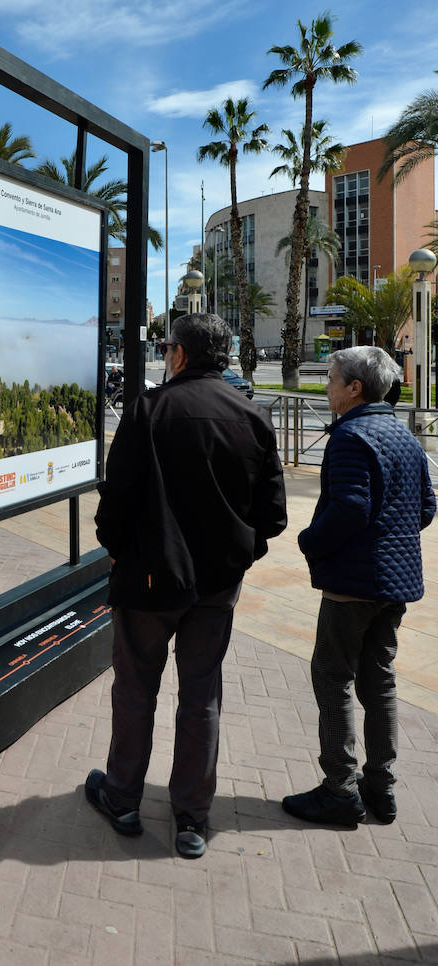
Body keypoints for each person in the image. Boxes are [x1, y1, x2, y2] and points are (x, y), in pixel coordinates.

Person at [88, 313, 287, 858]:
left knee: (135, 690)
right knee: (202, 697)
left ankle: (123, 798)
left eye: (167, 346)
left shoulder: (148, 410)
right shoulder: (252, 416)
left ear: (178, 354)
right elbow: (272, 515)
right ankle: (192, 818)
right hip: (216, 588)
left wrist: (118, 551)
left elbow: (116, 501)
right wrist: (238, 555)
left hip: (149, 583)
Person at [282, 346, 435, 827]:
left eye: (331, 379)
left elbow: (350, 507)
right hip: (394, 584)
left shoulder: (351, 435)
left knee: (333, 678)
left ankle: (340, 790)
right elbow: (426, 507)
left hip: (354, 584)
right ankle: (380, 788)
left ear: (355, 387)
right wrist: (390, 538)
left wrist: (310, 541)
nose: (326, 387)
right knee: (380, 681)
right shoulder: (403, 435)